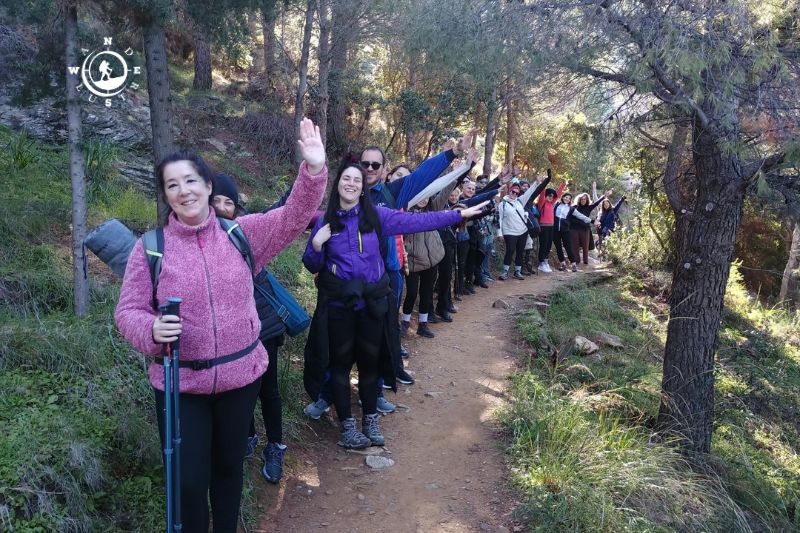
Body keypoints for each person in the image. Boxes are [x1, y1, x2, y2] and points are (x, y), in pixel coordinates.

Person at [115, 118, 327, 532]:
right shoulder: (150, 249)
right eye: (172, 185)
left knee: (229, 472)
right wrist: (151, 332)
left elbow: (292, 216)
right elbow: (128, 312)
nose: (183, 190)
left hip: (240, 378)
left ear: (209, 187)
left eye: (191, 180)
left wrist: (314, 171)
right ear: (165, 196)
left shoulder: (240, 234)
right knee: (189, 483)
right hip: (180, 387)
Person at [302, 161, 488, 449]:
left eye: (356, 180)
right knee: (338, 367)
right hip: (340, 306)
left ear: (364, 187)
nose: (351, 183)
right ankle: (347, 427)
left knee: (369, 363)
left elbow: (418, 221)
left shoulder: (377, 217)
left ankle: (370, 419)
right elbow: (311, 264)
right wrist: (316, 245)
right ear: (337, 184)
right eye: (346, 179)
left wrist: (456, 215)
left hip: (372, 304)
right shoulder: (326, 222)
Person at [210, 174, 292, 484]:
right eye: (215, 201)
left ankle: (275, 445)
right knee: (235, 388)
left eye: (227, 202)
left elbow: (278, 216)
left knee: (267, 390)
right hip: (227, 334)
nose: (220, 208)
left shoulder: (245, 235)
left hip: (262, 327)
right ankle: (247, 436)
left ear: (236, 209)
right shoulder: (194, 239)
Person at [536, 178, 566, 273]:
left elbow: (558, 195)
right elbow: (541, 194)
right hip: (543, 227)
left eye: (552, 196)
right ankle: (541, 263)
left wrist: (563, 184)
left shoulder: (552, 203)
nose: (551, 197)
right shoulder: (542, 203)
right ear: (546, 195)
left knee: (548, 245)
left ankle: (545, 261)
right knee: (543, 245)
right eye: (549, 195)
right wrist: (545, 182)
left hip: (551, 227)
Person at [571, 191, 607, 266]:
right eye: (582, 199)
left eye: (585, 199)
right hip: (574, 228)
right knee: (575, 245)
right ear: (579, 200)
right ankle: (577, 260)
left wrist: (604, 196)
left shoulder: (588, 207)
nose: (583, 200)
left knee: (585, 245)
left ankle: (585, 261)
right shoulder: (574, 207)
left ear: (587, 200)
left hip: (585, 228)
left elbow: (596, 203)